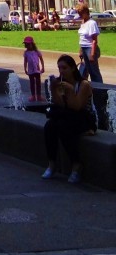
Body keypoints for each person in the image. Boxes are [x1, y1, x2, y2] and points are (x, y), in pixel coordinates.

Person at [42, 54, 95, 184]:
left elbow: (77, 107)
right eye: (59, 68)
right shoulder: (61, 83)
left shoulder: (83, 84)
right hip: (69, 117)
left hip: (85, 119)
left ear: (72, 68)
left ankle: (76, 165)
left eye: (64, 68)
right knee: (50, 126)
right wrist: (53, 90)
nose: (61, 71)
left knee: (63, 127)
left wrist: (70, 91)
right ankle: (52, 164)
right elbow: (60, 105)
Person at [77, 4, 103, 83]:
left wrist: (92, 54)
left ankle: (99, 88)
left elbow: (94, 40)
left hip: (90, 48)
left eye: (81, 13)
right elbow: (82, 38)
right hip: (84, 47)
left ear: (86, 12)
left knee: (94, 71)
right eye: (79, 14)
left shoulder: (92, 23)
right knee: (86, 70)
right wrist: (81, 50)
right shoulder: (83, 22)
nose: (80, 15)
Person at [22, 36, 45, 101]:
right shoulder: (26, 52)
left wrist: (43, 67)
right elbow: (25, 61)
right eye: (26, 45)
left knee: (38, 83)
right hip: (30, 70)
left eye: (28, 44)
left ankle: (39, 95)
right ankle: (33, 96)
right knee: (32, 83)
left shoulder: (37, 51)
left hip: (37, 70)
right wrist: (25, 69)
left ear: (32, 44)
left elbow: (41, 59)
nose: (27, 46)